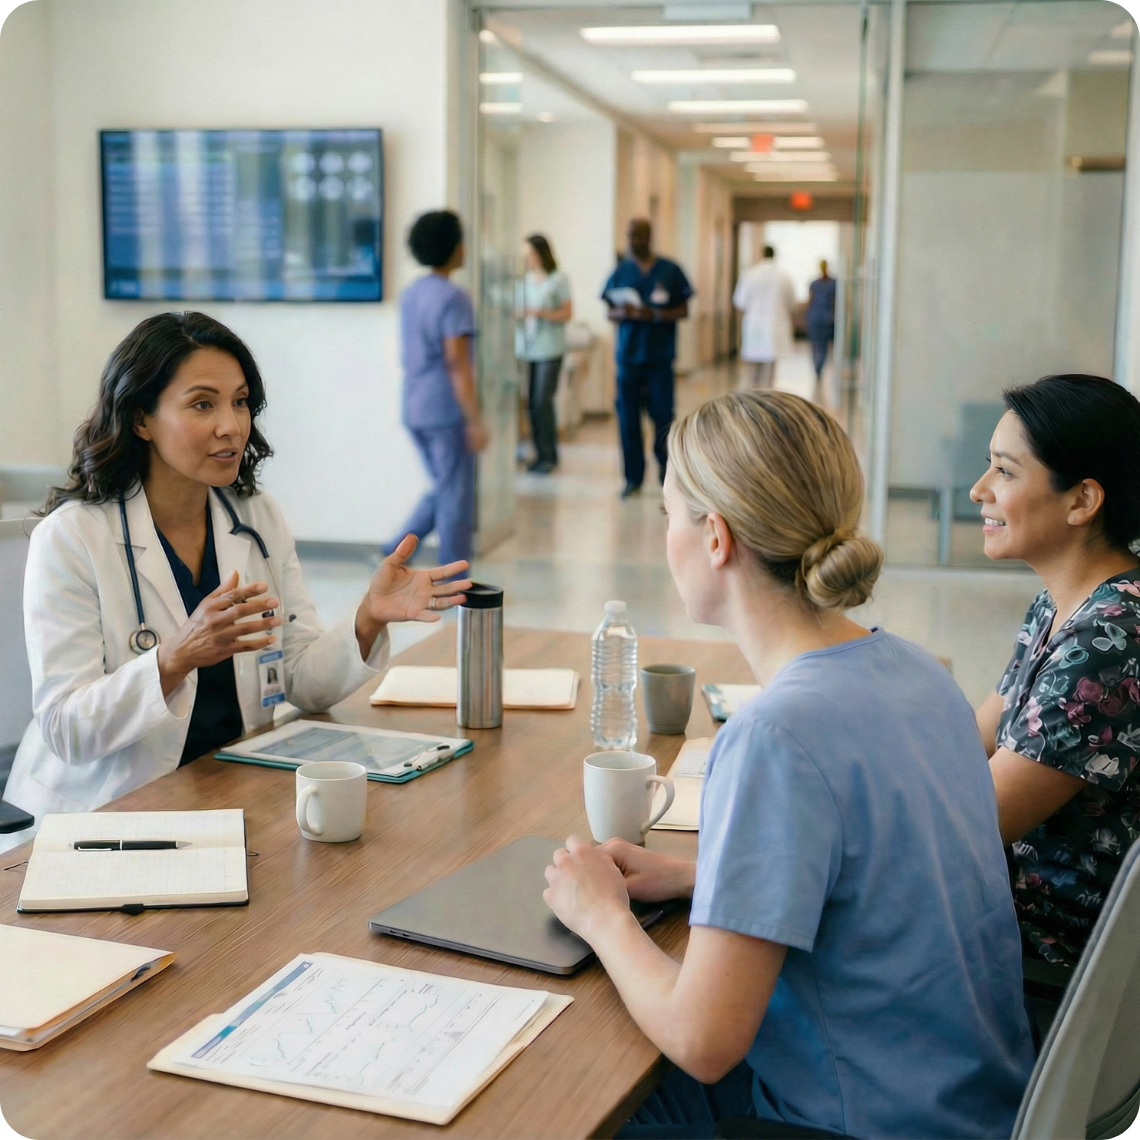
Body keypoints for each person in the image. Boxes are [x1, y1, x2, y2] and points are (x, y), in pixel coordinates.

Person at [542, 391, 1034, 1139]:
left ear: (716, 538)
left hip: (857, 1124)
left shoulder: (774, 737)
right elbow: (883, 876)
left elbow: (704, 1042)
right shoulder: (918, 672)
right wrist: (702, 878)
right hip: (976, 1106)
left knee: (562, 1094)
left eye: (670, 514)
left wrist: (600, 915)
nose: (664, 536)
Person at [3, 312, 471, 831]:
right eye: (203, 404)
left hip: (230, 788)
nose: (231, 425)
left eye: (241, 401)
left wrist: (367, 619)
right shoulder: (72, 537)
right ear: (141, 420)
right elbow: (66, 729)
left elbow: (302, 683)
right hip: (104, 813)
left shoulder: (255, 515)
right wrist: (174, 659)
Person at [972, 375, 1140, 985]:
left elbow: (968, 825)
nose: (979, 490)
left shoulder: (1112, 639)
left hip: (1051, 963)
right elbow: (966, 743)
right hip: (1001, 919)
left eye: (1004, 471)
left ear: (1082, 500)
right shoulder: (1061, 604)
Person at [383, 210, 487, 566]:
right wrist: (473, 419)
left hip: (415, 405)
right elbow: (457, 362)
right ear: (454, 247)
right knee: (455, 497)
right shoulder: (454, 297)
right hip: (445, 410)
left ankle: (395, 551)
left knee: (445, 487)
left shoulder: (412, 293)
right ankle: (454, 579)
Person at [602, 218, 693, 499]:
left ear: (649, 237)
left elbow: (683, 310)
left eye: (638, 236)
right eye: (629, 236)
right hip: (628, 359)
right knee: (628, 420)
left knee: (663, 417)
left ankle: (667, 474)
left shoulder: (670, 270)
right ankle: (633, 478)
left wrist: (653, 314)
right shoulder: (621, 272)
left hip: (659, 359)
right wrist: (624, 312)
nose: (633, 241)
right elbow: (609, 311)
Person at [516, 234, 572, 474]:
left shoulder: (557, 279)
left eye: (530, 254)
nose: (526, 259)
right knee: (531, 404)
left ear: (541, 254)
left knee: (542, 402)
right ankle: (539, 454)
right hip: (528, 349)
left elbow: (566, 313)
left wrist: (538, 313)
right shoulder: (524, 281)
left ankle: (549, 455)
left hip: (550, 349)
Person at [732, 245, 794, 391]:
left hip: (754, 326)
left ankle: (752, 397)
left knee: (752, 372)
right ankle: (766, 396)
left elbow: (739, 302)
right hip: (775, 326)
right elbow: (792, 303)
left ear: (761, 254)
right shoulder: (783, 276)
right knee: (769, 372)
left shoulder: (750, 275)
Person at [806, 259, 836, 401]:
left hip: (820, 317)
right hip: (821, 317)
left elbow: (834, 301)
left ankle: (818, 367)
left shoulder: (829, 283)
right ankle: (818, 367)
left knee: (819, 344)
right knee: (818, 345)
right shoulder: (819, 283)